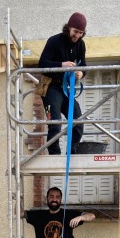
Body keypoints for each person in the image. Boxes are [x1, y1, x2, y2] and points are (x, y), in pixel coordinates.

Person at [38, 12, 87, 155]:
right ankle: (55, 157)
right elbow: (42, 64)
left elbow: (83, 65)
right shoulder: (54, 41)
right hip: (50, 86)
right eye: (75, 31)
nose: (77, 35)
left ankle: (71, 154)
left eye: (81, 33)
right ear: (69, 27)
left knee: (78, 122)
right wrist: (61, 65)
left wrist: (81, 73)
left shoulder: (81, 44)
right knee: (55, 125)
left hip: (65, 87)